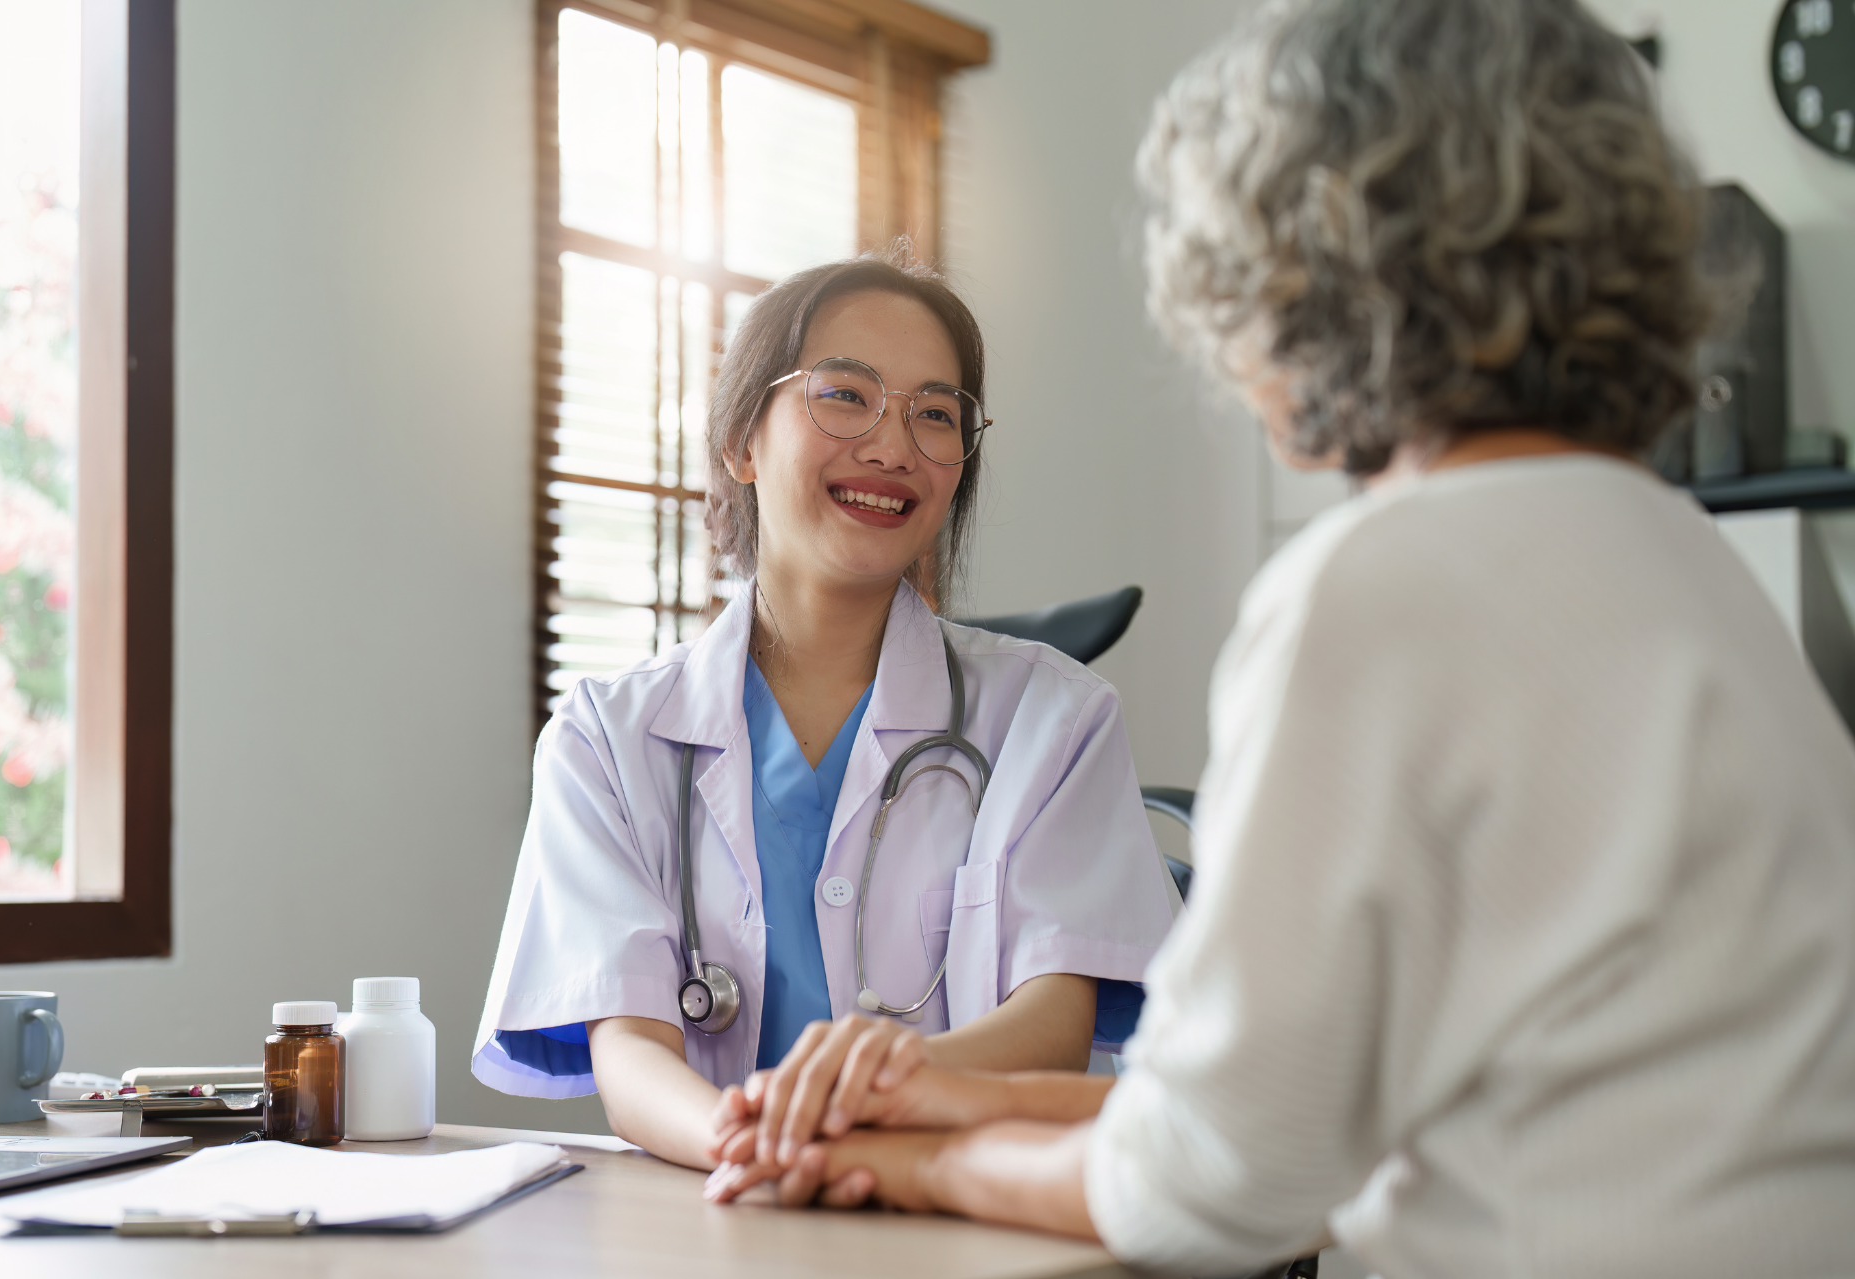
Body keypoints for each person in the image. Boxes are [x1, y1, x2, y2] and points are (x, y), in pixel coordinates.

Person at [706, 1, 1855, 1274]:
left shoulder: (1381, 584)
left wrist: (888, 1162)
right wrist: (944, 1097)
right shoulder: (1687, 564)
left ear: (1308, 274)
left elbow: (1213, 1183)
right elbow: (1284, 1111)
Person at [472, 249, 1177, 1173]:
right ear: (740, 440)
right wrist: (756, 1145)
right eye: (844, 395)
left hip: (957, 1221)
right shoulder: (605, 739)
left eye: (935, 413)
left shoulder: (1056, 719)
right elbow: (632, 1049)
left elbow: (1050, 1021)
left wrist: (850, 1107)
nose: (893, 447)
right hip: (720, 1205)